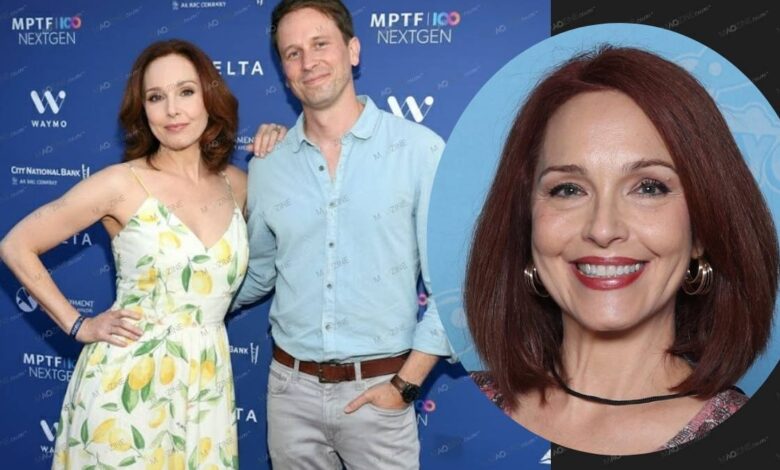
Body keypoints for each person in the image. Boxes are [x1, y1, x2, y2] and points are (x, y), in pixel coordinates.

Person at [465, 46, 778, 455]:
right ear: (528, 226)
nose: (603, 229)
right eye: (568, 189)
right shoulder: (458, 409)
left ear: (702, 230)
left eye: (649, 187)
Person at [1, 39, 250, 468]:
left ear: (210, 97)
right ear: (143, 111)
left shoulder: (237, 184)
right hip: (126, 390)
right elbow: (16, 244)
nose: (172, 110)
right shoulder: (121, 184)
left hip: (204, 391)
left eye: (186, 91)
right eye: (156, 97)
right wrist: (78, 324)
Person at [231, 0, 452, 467]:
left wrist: (404, 385)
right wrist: (183, 300)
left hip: (381, 394)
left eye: (320, 44)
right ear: (283, 71)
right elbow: (257, 273)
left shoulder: (419, 151)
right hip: (289, 396)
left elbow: (455, 287)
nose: (308, 62)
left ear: (353, 50)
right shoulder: (269, 164)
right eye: (292, 53)